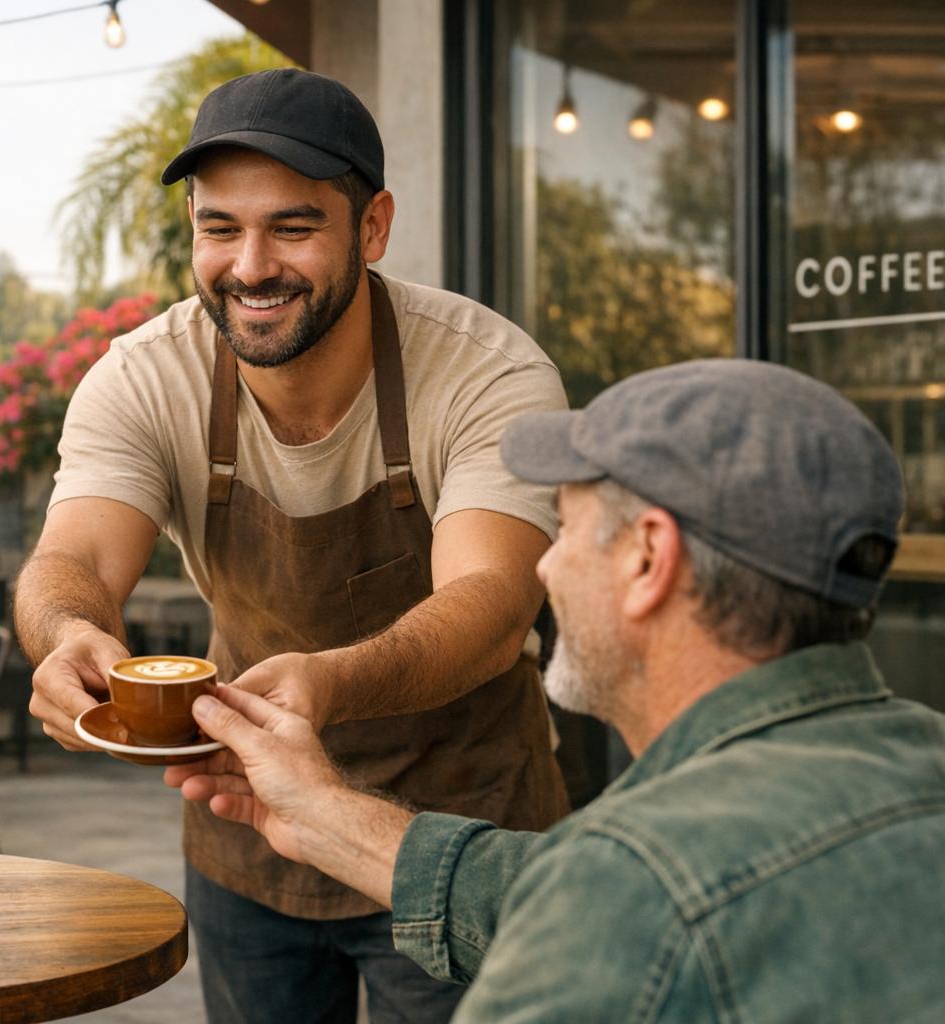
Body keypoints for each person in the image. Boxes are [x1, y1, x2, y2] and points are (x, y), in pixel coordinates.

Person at [16, 68, 570, 1022]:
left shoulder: (487, 373)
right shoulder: (143, 380)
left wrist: (330, 684)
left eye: (294, 227)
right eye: (219, 228)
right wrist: (67, 632)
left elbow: (491, 609)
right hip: (249, 827)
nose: (250, 265)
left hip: (456, 837)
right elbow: (73, 561)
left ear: (373, 227)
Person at [169, 359, 945, 1020]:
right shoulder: (922, 758)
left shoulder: (633, 881)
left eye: (565, 530)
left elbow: (612, 897)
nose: (544, 568)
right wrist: (318, 812)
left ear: (648, 559)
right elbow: (570, 892)